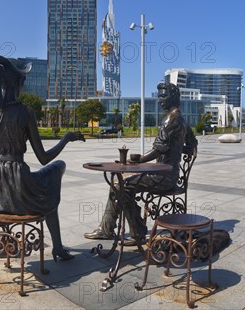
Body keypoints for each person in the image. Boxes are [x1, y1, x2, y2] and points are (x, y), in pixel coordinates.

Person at [0, 55, 85, 262]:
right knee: (55, 173)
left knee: (46, 187)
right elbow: (44, 158)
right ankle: (58, 247)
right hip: (20, 186)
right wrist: (66, 139)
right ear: (17, 83)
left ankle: (5, 241)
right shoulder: (25, 112)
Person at [84, 82, 197, 242]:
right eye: (159, 96)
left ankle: (113, 230)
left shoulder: (171, 120)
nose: (159, 100)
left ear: (173, 97)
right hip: (170, 175)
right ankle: (133, 230)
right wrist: (177, 150)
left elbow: (158, 150)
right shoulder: (182, 119)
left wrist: (137, 162)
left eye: (163, 96)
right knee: (119, 183)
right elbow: (192, 144)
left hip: (162, 178)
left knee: (120, 187)